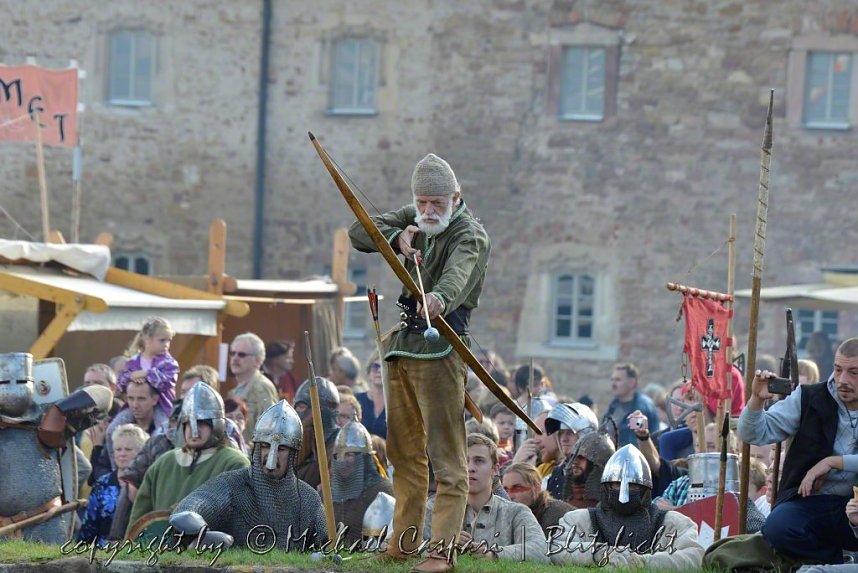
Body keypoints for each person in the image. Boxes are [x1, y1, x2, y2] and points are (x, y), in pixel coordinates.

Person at [348, 152, 491, 571]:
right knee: (404, 453)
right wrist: (396, 237)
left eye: (437, 203)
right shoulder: (414, 217)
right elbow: (358, 231)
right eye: (422, 202)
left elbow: (459, 273)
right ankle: (404, 543)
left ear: (455, 198)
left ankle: (441, 553)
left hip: (442, 345)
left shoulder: (469, 233)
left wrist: (439, 297)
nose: (428, 211)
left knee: (447, 459)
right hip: (405, 343)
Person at [736, 338, 858, 564]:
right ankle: (834, 565)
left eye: (854, 373)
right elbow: (753, 434)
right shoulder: (809, 397)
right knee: (778, 527)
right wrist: (756, 400)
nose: (843, 380)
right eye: (838, 369)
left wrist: (832, 462)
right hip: (810, 502)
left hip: (855, 505)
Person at [170, 400, 328, 551]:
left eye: (281, 449)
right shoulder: (232, 485)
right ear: (257, 448)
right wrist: (198, 530)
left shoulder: (308, 499)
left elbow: (326, 548)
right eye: (265, 446)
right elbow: (196, 504)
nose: (271, 455)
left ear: (293, 454)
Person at [0, 353, 110, 544]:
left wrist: (59, 412)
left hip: (45, 525)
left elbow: (104, 396)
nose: (12, 388)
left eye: (20, 381)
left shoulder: (44, 415)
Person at [550, 444, 705, 568]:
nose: (623, 493)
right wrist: (600, 553)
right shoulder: (579, 520)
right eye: (616, 484)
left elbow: (694, 557)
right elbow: (557, 549)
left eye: (632, 485)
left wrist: (642, 562)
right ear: (606, 487)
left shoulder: (673, 523)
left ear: (645, 489)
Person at [127, 382, 249, 531]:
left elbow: (242, 523)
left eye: (201, 423)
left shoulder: (234, 464)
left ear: (216, 424)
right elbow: (140, 521)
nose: (194, 431)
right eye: (189, 423)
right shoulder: (164, 463)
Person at [423, 434, 549, 563]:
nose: (470, 468)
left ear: (495, 469)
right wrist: (445, 543)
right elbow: (412, 547)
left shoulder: (515, 512)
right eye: (464, 460)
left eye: (479, 461)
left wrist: (493, 554)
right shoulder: (435, 509)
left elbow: (541, 550)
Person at [79, 424, 148, 545]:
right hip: (102, 551)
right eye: (118, 449)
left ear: (140, 453)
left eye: (128, 449)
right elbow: (89, 527)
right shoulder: (102, 484)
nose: (122, 454)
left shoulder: (148, 484)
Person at [330, 421, 393, 544]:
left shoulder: (382, 491)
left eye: (349, 455)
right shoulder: (329, 492)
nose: (342, 460)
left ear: (364, 457)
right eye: (338, 456)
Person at [116, 316, 179, 418]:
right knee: (117, 423)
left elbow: (167, 382)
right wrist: (131, 378)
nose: (166, 345)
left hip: (162, 408)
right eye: (162, 340)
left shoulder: (169, 363)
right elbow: (120, 385)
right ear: (147, 339)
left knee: (162, 426)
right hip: (134, 408)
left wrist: (146, 374)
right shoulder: (133, 361)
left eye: (169, 340)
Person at [102, 380, 169, 474]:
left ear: (155, 399)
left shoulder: (166, 433)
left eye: (141, 399)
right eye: (130, 398)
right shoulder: (115, 431)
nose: (135, 405)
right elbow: (103, 466)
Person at [227, 332, 278, 442]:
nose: (235, 358)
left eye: (242, 355)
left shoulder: (262, 387)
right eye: (233, 353)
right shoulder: (233, 393)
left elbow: (269, 431)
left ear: (258, 360)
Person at [543, 402, 599, 500]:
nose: (564, 439)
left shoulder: (600, 474)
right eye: (561, 433)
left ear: (585, 434)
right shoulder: (554, 476)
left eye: (569, 432)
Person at [292, 376, 340, 489]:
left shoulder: (340, 445)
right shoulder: (304, 440)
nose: (297, 413)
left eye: (302, 407)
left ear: (322, 410)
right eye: (298, 407)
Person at [502, 462, 573, 536]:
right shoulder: (506, 516)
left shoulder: (560, 517)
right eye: (505, 490)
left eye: (517, 488)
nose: (509, 496)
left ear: (536, 487)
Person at [602, 363, 660, 447]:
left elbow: (641, 440)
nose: (613, 383)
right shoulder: (613, 406)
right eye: (612, 379)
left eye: (618, 380)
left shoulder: (642, 407)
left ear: (632, 382)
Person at [561, 431, 615, 508]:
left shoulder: (607, 506)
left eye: (581, 457)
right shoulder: (564, 503)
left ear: (597, 463)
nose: (575, 462)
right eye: (573, 456)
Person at [355, 352, 387, 439]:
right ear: (368, 373)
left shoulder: (397, 404)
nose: (379, 370)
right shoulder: (356, 400)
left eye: (383, 367)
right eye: (375, 366)